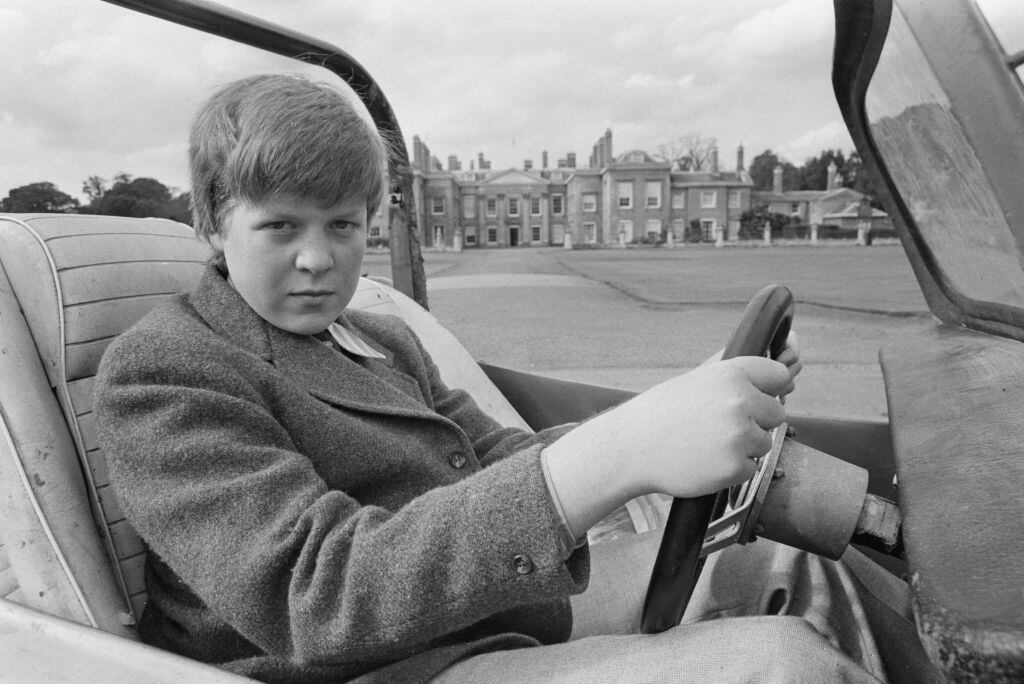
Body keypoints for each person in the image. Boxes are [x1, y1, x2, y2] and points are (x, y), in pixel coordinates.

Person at [96, 73, 914, 683]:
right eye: (279, 227)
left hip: (481, 612)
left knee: (793, 566)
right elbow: (315, 600)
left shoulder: (378, 336)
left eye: (343, 225)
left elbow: (500, 455)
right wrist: (614, 455)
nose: (318, 259)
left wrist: (683, 405)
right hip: (369, 670)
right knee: (774, 667)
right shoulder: (167, 371)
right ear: (209, 220)